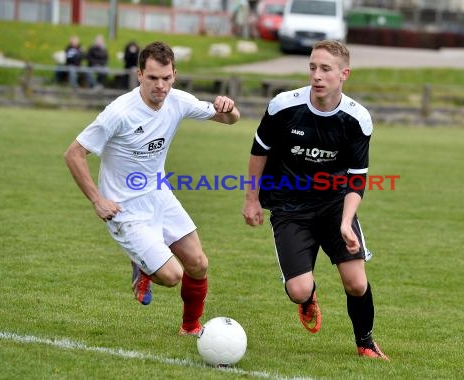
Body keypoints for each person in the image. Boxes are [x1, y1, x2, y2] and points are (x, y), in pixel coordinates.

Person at [64, 41, 240, 336]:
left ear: (174, 74)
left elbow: (229, 119)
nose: (161, 86)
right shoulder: (119, 112)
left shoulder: (178, 100)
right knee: (172, 276)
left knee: (198, 263)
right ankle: (143, 267)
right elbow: (74, 153)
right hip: (124, 209)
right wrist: (97, 200)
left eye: (167, 78)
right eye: (153, 78)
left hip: (160, 195)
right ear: (139, 75)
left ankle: (191, 327)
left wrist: (229, 108)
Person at [242, 40, 389, 360]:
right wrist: (251, 199)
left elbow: (357, 178)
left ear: (344, 74)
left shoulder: (357, 118)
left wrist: (347, 222)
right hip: (289, 208)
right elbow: (259, 152)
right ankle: (308, 297)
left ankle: (365, 342)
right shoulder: (283, 107)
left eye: (325, 69)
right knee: (298, 290)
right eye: (312, 67)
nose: (317, 75)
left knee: (356, 282)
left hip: (335, 207)